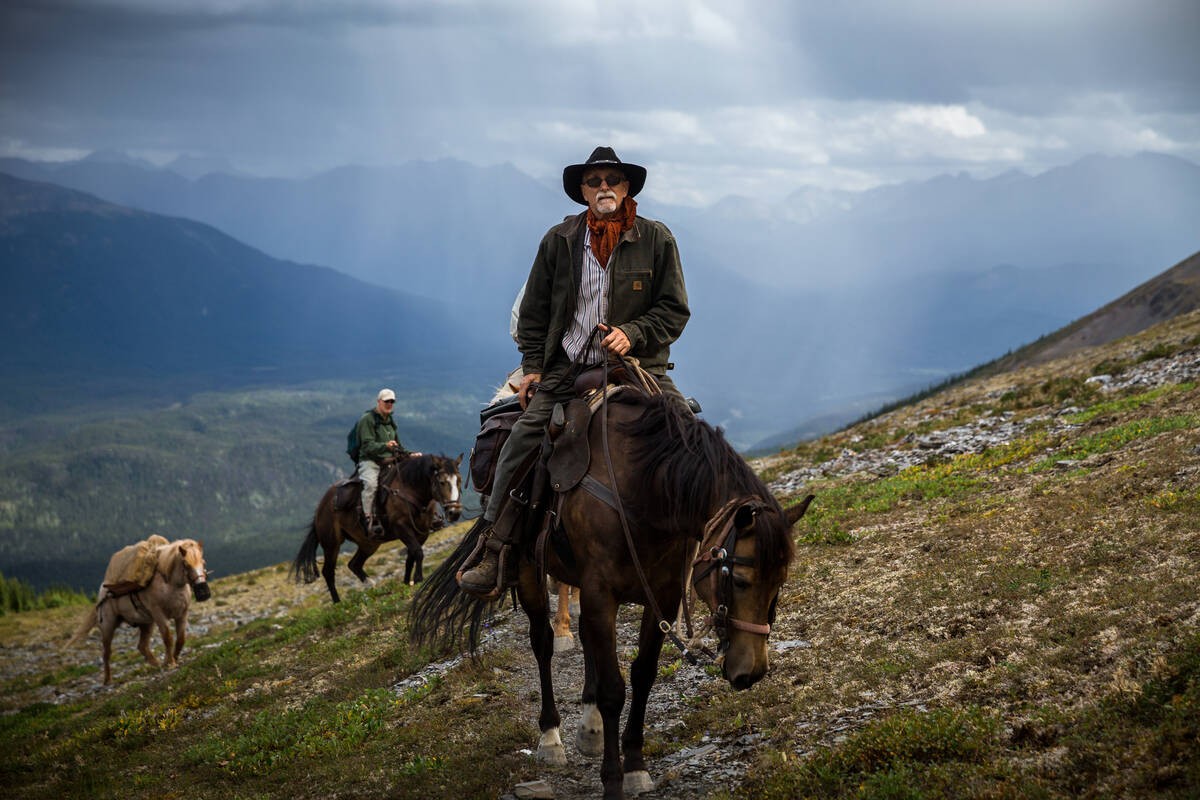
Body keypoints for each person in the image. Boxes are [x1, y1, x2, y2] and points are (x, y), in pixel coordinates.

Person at [459, 146, 691, 598]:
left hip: (636, 367)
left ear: (626, 188)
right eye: (595, 180)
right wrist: (531, 369)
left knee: (688, 434)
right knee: (523, 438)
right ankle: (495, 546)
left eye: (613, 179)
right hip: (568, 368)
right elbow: (533, 313)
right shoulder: (559, 241)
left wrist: (633, 332)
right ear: (583, 191)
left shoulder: (657, 239)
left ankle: (706, 545)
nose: (604, 186)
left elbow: (675, 310)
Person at [356, 389, 420, 540]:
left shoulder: (391, 421)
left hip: (390, 461)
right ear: (379, 401)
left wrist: (410, 455)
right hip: (370, 461)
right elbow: (366, 446)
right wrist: (385, 446)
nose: (389, 404)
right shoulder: (368, 419)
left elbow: (397, 445)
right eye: (386, 401)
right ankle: (368, 518)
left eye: (392, 401)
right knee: (371, 484)